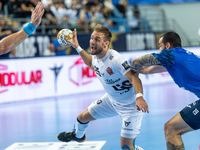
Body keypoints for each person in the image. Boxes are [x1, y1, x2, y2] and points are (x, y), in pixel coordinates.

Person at [57, 24, 149, 150]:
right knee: (81, 118)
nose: (92, 42)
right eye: (92, 38)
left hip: (130, 107)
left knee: (126, 148)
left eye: (97, 39)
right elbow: (90, 63)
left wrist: (139, 97)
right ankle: (78, 136)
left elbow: (134, 78)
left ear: (106, 44)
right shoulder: (96, 56)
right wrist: (77, 47)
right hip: (111, 100)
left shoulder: (115, 59)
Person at [131, 31, 200, 150]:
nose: (159, 50)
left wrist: (131, 73)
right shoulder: (180, 57)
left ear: (167, 46)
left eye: (159, 46)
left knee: (171, 129)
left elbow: (136, 62)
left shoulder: (170, 54)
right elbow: (147, 70)